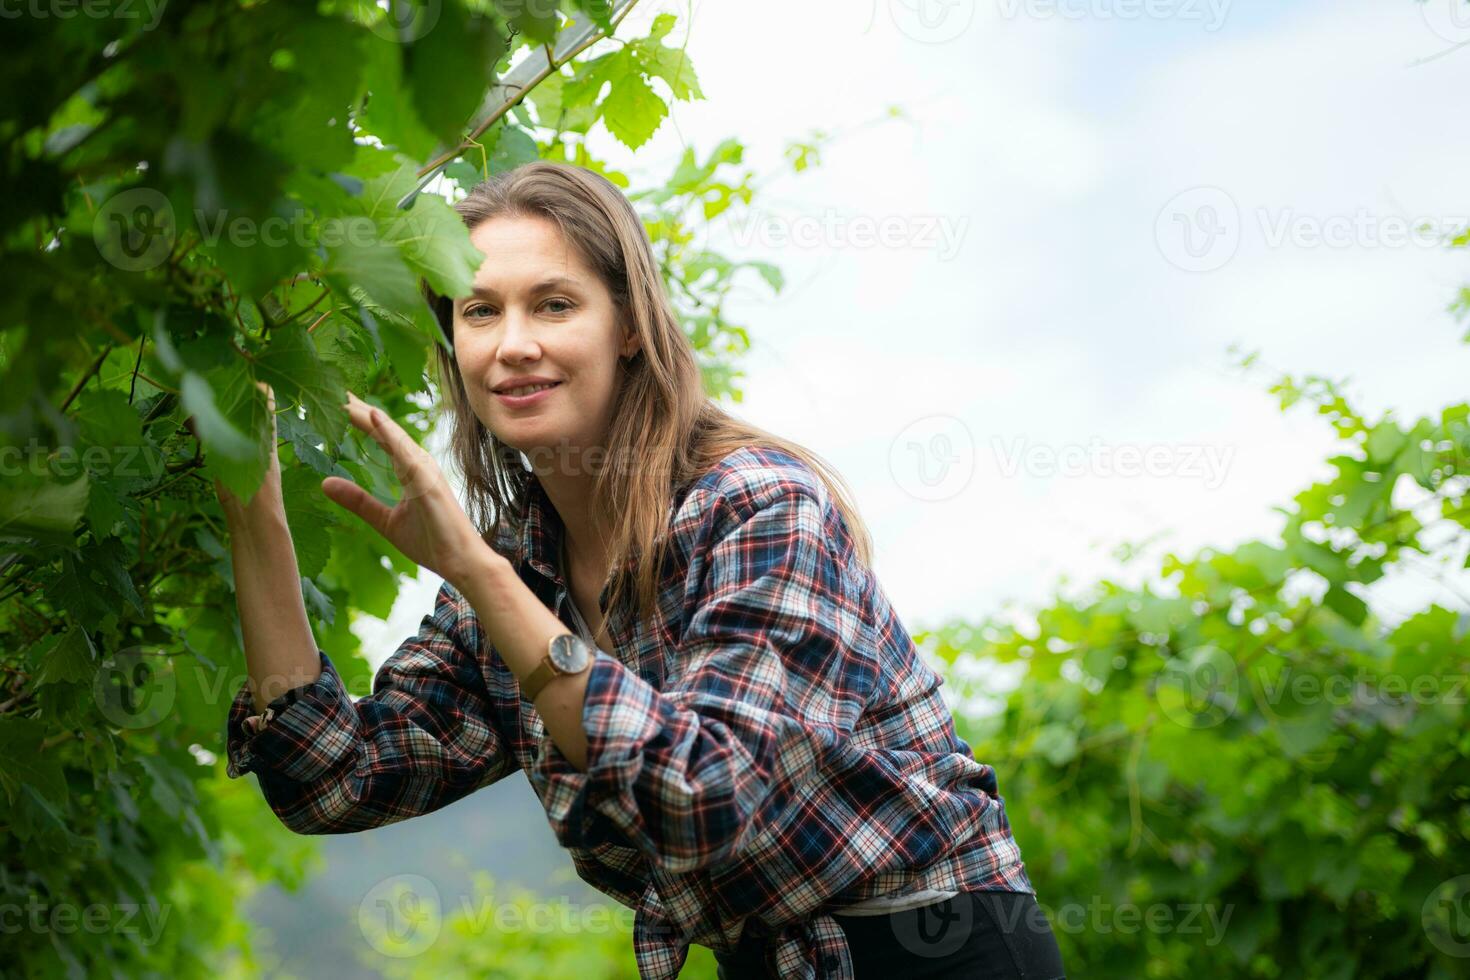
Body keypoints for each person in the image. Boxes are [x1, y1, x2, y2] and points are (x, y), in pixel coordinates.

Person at [220, 160, 1065, 979]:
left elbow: (711, 798)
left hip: (941, 946)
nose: (513, 345)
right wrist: (251, 506)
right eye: (480, 312)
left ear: (628, 326)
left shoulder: (757, 508)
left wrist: (479, 574)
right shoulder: (521, 566)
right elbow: (334, 779)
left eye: (553, 305)